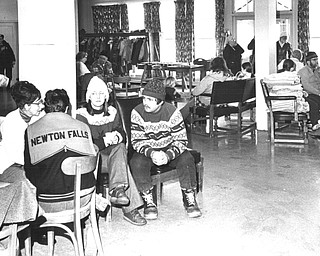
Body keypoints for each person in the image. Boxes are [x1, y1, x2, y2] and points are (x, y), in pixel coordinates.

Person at [76, 75, 146, 226]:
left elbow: (122, 133)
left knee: (120, 148)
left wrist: (117, 136)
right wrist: (104, 141)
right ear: (88, 97)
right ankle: (128, 208)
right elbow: (84, 145)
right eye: (94, 94)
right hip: (93, 161)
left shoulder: (113, 112)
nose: (98, 97)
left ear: (106, 96)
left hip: (112, 159)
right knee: (122, 167)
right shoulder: (81, 115)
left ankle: (119, 191)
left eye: (101, 93)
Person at [130, 79, 202, 220]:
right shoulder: (137, 112)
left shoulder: (172, 112)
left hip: (169, 147)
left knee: (187, 159)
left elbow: (181, 140)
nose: (145, 102)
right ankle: (148, 200)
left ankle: (189, 196)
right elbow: (136, 141)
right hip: (148, 149)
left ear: (160, 101)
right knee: (136, 162)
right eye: (144, 98)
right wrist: (152, 153)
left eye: (150, 99)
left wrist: (168, 155)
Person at [24, 89, 97, 196]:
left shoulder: (30, 130)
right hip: (84, 194)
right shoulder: (84, 127)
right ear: (67, 108)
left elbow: (29, 171)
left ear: (46, 109)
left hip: (48, 198)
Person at [0, 81, 44, 177]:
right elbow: (15, 155)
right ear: (26, 106)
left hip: (31, 164)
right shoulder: (10, 122)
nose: (42, 106)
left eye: (41, 101)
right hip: (11, 166)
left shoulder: (40, 117)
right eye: (38, 103)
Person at [297, 51, 320, 131]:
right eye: (314, 60)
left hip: (316, 93)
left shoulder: (316, 71)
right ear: (308, 61)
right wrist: (318, 93)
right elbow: (307, 86)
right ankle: (314, 123)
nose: (316, 62)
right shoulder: (303, 72)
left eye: (317, 59)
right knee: (314, 103)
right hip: (307, 94)